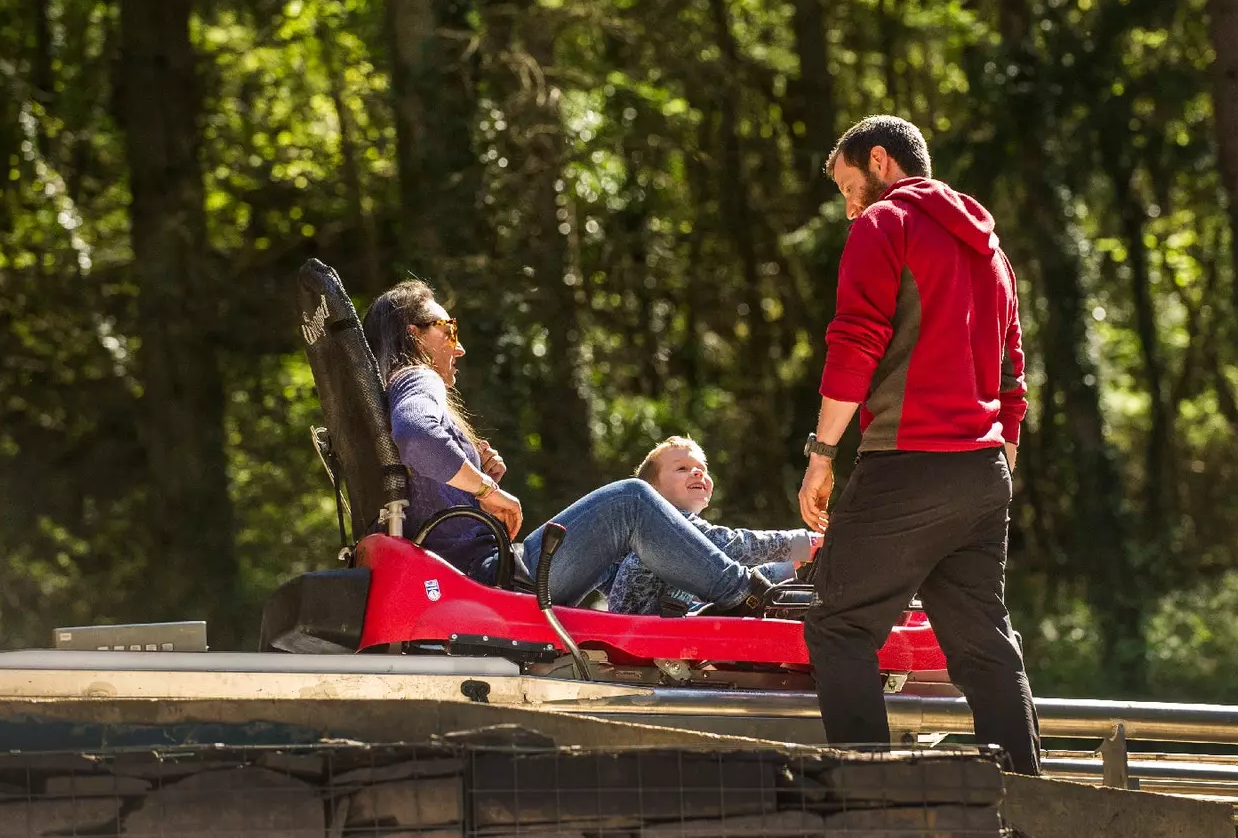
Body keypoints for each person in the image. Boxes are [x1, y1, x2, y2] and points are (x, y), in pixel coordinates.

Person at [797, 115, 1042, 775]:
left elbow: (854, 345)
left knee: (838, 624)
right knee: (985, 648)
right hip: (983, 472)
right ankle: (1033, 804)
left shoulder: (886, 224)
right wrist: (998, 471)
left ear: (880, 160)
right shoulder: (992, 251)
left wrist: (821, 454)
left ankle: (878, 809)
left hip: (909, 463)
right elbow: (1011, 375)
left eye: (851, 187)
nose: (850, 210)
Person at [362, 280, 777, 614]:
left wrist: (475, 477)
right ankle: (749, 594)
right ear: (414, 335)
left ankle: (667, 612)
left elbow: (426, 465)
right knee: (630, 501)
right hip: (489, 578)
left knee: (629, 526)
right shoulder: (417, 377)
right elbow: (417, 436)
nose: (459, 345)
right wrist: (487, 491)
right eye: (448, 329)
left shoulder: (393, 390)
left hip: (485, 570)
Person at [605, 436, 820, 615]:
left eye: (702, 468)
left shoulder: (680, 528)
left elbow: (721, 569)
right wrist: (801, 544)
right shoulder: (667, 523)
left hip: (664, 616)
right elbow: (730, 544)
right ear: (652, 492)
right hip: (638, 623)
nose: (698, 473)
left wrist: (787, 566)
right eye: (682, 468)